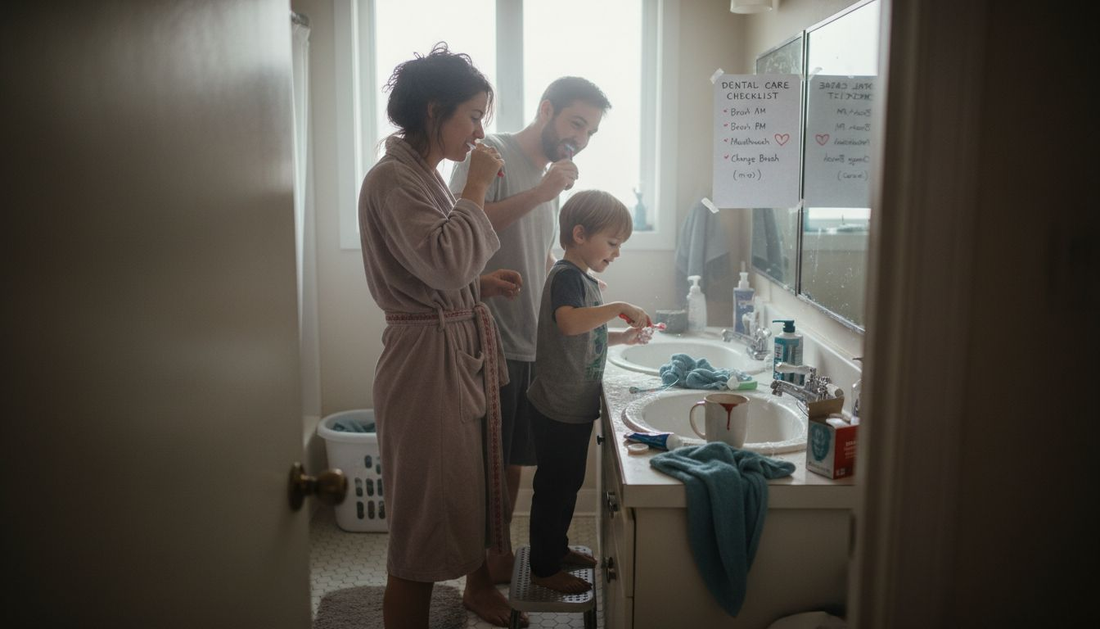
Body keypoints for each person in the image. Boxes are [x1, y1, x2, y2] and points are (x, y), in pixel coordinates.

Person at [357, 43, 524, 629]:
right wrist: (475, 185)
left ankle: (477, 590)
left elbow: (438, 273)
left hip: (449, 350)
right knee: (421, 529)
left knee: (462, 499)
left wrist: (477, 291)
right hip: (424, 370)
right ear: (435, 112)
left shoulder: (420, 175)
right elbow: (447, 262)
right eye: (473, 115)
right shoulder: (391, 181)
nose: (481, 129)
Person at [447, 77, 611, 583]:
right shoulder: (489, 154)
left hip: (526, 341)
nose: (581, 138)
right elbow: (463, 224)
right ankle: (477, 585)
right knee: (487, 469)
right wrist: (542, 191)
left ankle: (497, 564)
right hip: (487, 335)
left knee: (515, 462)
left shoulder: (550, 182)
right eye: (575, 123)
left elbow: (533, 252)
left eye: (591, 132)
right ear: (547, 111)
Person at [526, 190, 652, 593]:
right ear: (579, 234)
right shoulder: (565, 275)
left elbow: (586, 332)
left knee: (567, 485)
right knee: (554, 489)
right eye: (612, 243)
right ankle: (543, 568)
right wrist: (617, 306)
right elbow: (568, 324)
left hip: (572, 408)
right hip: (557, 408)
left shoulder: (582, 279)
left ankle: (556, 548)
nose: (616, 253)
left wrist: (623, 338)